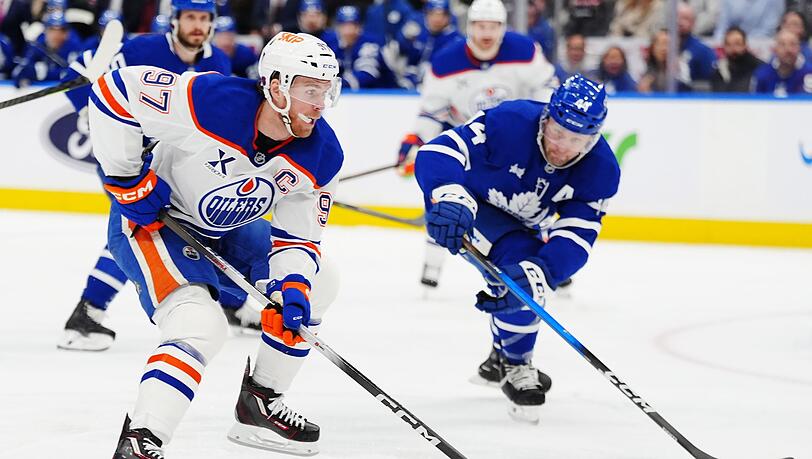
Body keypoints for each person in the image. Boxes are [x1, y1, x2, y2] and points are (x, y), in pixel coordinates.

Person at [92, 31, 343, 458]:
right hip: (156, 223)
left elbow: (299, 235)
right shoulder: (212, 100)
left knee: (321, 282)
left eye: (327, 90)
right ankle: (141, 440)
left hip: (223, 230)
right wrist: (126, 179)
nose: (321, 103)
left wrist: (294, 284)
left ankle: (260, 402)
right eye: (310, 90)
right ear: (278, 86)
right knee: (200, 324)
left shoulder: (322, 153)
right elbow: (114, 91)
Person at [413, 74, 619, 423]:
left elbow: (577, 234)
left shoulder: (600, 170)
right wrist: (449, 193)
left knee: (525, 278)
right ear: (546, 118)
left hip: (520, 225)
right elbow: (439, 151)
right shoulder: (508, 121)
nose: (561, 146)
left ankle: (500, 358)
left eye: (576, 140)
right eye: (557, 132)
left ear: (593, 138)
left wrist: (545, 272)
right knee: (517, 269)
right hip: (466, 205)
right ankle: (515, 363)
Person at [57, 0, 233, 352]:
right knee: (137, 228)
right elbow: (74, 77)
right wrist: (89, 110)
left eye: (203, 19)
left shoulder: (218, 63)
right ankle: (86, 312)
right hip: (127, 161)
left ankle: (230, 301)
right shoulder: (142, 49)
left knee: (203, 229)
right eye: (190, 18)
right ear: (175, 21)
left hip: (175, 165)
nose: (197, 25)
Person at [396, 0, 557, 288]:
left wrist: (540, 119)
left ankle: (549, 263)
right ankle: (431, 269)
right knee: (446, 200)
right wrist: (417, 139)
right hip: (469, 146)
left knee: (530, 203)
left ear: (503, 28)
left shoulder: (524, 51)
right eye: (481, 26)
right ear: (469, 27)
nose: (486, 33)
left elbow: (548, 85)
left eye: (493, 26)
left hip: (517, 144)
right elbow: (432, 111)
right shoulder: (446, 62)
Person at [395, 0, 464, 87]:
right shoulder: (421, 34)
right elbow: (411, 60)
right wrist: (406, 40)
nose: (437, 19)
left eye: (441, 15)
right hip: (413, 86)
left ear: (449, 17)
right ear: (426, 15)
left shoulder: (456, 41)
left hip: (440, 85)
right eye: (432, 14)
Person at [11, 10, 82, 87]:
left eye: (61, 31)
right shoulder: (37, 45)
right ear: (45, 31)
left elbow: (74, 75)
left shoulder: (73, 47)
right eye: (52, 30)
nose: (55, 35)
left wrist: (45, 73)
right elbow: (23, 69)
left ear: (66, 34)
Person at [753, 28, 812, 96]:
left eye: (793, 44)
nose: (788, 49)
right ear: (774, 49)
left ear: (799, 48)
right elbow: (756, 102)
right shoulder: (762, 74)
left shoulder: (809, 72)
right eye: (782, 45)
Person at [710, 26, 763, 92]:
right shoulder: (720, 69)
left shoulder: (760, 68)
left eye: (737, 44)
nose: (733, 49)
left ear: (745, 45)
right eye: (728, 44)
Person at [678, 2, 717, 91]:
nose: (680, 22)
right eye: (677, 17)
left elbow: (710, 83)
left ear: (693, 23)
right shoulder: (663, 47)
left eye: (685, 19)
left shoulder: (703, 51)